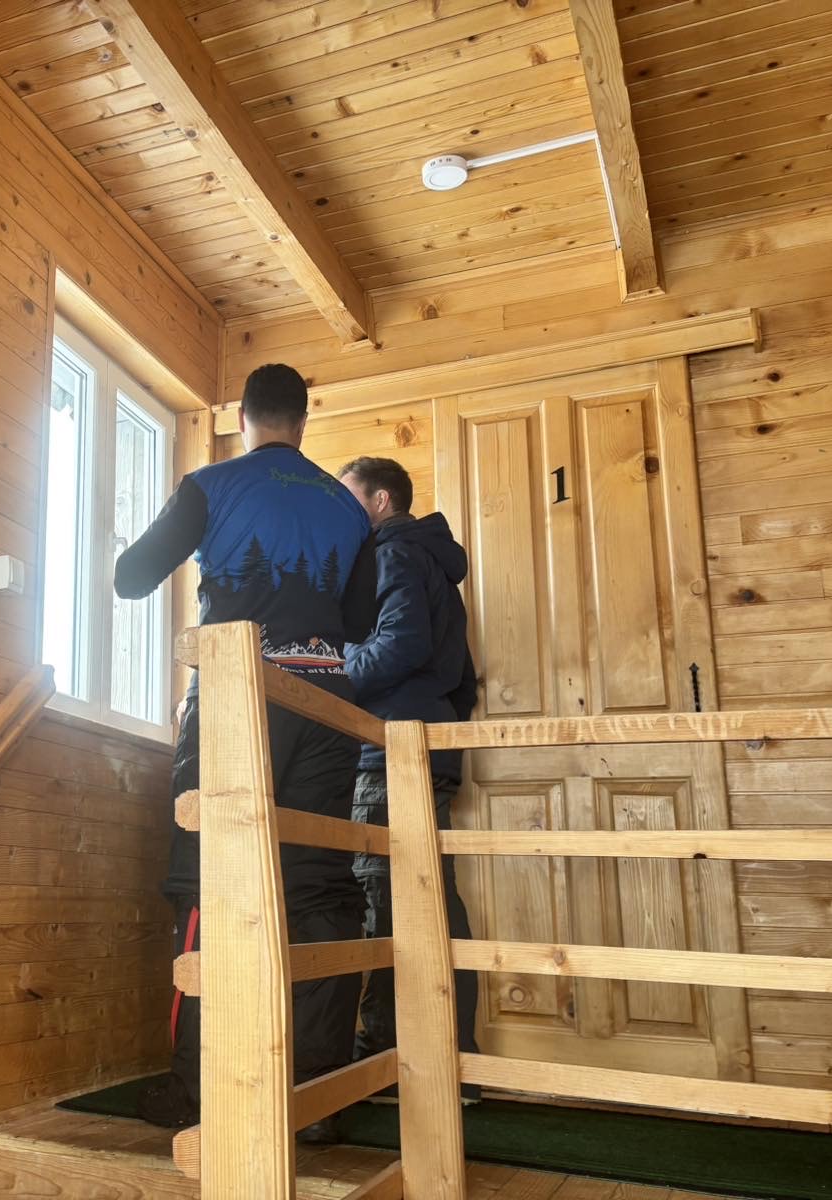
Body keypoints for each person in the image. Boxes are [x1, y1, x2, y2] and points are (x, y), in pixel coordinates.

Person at [114, 364, 376, 1135]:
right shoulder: (346, 505)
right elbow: (360, 624)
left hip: (237, 700)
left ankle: (198, 1093)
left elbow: (131, 578)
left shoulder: (211, 485)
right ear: (303, 419)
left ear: (241, 417)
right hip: (325, 704)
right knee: (319, 889)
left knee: (205, 881)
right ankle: (318, 1099)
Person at [336, 456, 481, 1094]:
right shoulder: (430, 559)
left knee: (386, 900)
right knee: (433, 902)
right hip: (426, 746)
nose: (343, 514)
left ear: (381, 501)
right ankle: (455, 1062)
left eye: (350, 499)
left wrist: (333, 677)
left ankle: (389, 1056)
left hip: (388, 749)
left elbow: (401, 644)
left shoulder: (392, 553)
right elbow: (462, 679)